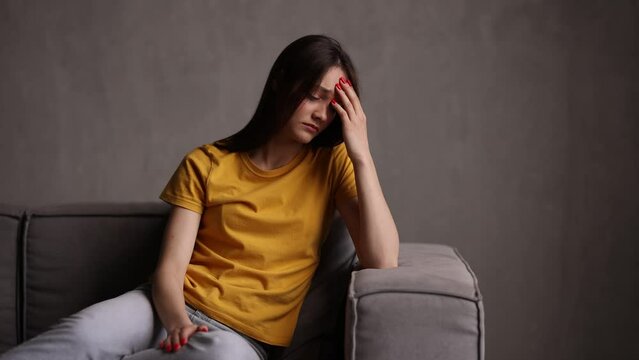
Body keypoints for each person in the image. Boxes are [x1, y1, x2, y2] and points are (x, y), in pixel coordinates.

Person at [0, 34, 399, 360]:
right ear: (280, 81)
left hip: (242, 341)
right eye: (313, 95)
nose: (321, 113)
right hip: (166, 308)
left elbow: (383, 259)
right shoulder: (207, 162)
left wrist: (361, 153)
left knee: (219, 359)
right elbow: (169, 271)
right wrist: (177, 323)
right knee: (84, 333)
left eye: (333, 105)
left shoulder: (333, 165)